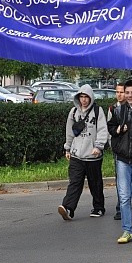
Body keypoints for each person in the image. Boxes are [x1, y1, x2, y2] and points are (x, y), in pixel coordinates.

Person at [58, 84, 109, 221]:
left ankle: (98, 207)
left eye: (86, 97)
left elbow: (103, 130)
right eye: (81, 96)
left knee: (95, 183)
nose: (84, 100)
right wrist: (67, 148)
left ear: (91, 97)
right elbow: (69, 132)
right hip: (77, 155)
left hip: (93, 155)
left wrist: (98, 146)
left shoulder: (98, 111)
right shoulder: (73, 112)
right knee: (75, 182)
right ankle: (68, 208)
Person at [107, 80, 132, 243]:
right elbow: (111, 128)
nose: (129, 96)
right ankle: (127, 230)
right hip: (122, 157)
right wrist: (119, 130)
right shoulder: (118, 110)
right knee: (123, 196)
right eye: (126, 92)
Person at [110, 82, 126, 221]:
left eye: (122, 92)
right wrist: (117, 130)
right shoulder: (113, 109)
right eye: (117, 92)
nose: (119, 95)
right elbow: (109, 128)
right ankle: (120, 207)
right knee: (120, 178)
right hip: (118, 148)